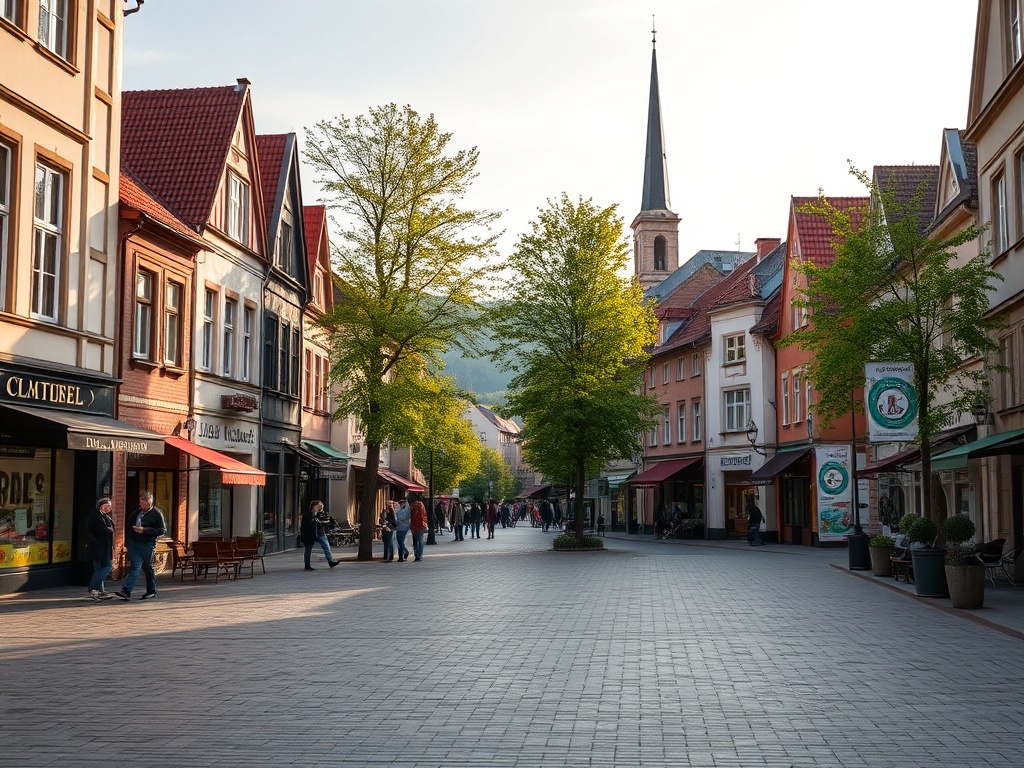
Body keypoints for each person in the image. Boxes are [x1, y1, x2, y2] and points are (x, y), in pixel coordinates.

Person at [114, 491, 166, 601]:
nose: (141, 505)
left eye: (143, 503)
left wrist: (145, 530)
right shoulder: (136, 512)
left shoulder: (157, 513)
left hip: (147, 544)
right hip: (134, 543)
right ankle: (126, 591)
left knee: (148, 568)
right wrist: (129, 539)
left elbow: (162, 530)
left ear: (149, 503)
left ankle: (151, 591)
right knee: (135, 566)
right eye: (140, 502)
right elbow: (128, 525)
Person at [86, 497, 116, 600]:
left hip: (105, 547)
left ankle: (100, 591)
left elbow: (111, 528)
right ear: (103, 506)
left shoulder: (105, 517)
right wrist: (96, 542)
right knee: (106, 567)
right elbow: (90, 532)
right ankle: (93, 589)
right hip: (98, 548)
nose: (110, 508)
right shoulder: (95, 516)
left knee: (99, 569)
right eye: (109, 506)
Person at [300, 500, 341, 570]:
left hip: (320, 533)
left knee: (326, 547)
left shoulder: (323, 514)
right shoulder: (308, 514)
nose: (320, 507)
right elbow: (306, 524)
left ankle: (330, 561)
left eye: (321, 505)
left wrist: (330, 524)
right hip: (310, 534)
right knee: (308, 549)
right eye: (318, 505)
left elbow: (329, 521)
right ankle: (307, 565)